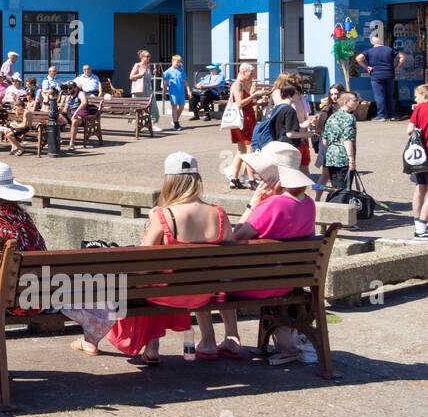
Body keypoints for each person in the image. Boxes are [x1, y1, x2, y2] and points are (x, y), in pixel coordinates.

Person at [80, 153, 229, 363]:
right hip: (203, 294)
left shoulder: (164, 216)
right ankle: (163, 345)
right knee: (160, 280)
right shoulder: (219, 214)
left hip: (167, 294)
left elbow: (141, 263)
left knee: (140, 284)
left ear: (169, 181)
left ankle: (148, 345)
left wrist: (152, 222)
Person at [227, 142, 319, 365]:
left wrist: (253, 203)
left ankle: (226, 339)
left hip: (257, 286)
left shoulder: (272, 206)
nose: (260, 177)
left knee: (213, 279)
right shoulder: (309, 205)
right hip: (289, 280)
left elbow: (234, 237)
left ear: (276, 177)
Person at [226, 63, 265, 188]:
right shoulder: (238, 85)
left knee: (241, 150)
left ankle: (234, 179)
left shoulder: (242, 85)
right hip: (243, 121)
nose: (252, 76)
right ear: (243, 72)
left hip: (244, 120)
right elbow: (239, 103)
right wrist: (254, 95)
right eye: (251, 73)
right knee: (249, 149)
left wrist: (257, 101)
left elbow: (246, 103)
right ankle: (251, 179)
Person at [355, 33, 405, 121]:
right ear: (382, 41)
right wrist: (397, 67)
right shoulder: (389, 49)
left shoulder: (369, 51)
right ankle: (393, 115)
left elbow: (358, 58)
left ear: (372, 42)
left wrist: (367, 67)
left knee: (379, 96)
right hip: (390, 74)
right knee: (390, 95)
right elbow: (402, 57)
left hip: (376, 75)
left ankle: (381, 116)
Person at [321, 92, 359, 197]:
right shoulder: (349, 118)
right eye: (355, 101)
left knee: (335, 187)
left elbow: (325, 140)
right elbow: (348, 140)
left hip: (331, 156)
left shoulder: (332, 117)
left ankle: (334, 206)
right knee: (344, 188)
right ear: (346, 102)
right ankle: (342, 209)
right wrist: (351, 159)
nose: (357, 103)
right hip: (343, 156)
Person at [407, 84, 428, 239]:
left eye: (417, 95)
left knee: (420, 187)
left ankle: (417, 223)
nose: (415, 98)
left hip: (420, 155)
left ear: (424, 95)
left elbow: (409, 130)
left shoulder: (418, 109)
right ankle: (423, 224)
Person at [129, 49, 160, 132]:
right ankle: (141, 125)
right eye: (147, 56)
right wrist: (140, 74)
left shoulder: (148, 66)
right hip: (140, 91)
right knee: (140, 109)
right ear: (142, 57)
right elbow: (131, 77)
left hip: (148, 90)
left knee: (153, 108)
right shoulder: (137, 65)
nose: (149, 57)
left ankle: (153, 125)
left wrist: (153, 73)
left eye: (149, 56)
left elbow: (148, 78)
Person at [162, 55, 192, 130]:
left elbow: (185, 81)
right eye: (177, 62)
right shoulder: (168, 71)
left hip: (181, 92)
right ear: (172, 61)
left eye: (179, 62)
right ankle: (176, 124)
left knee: (181, 107)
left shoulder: (181, 70)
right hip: (173, 93)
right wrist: (164, 93)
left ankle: (175, 120)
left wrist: (188, 90)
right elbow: (165, 83)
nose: (178, 63)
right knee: (174, 107)